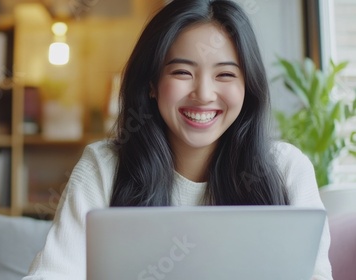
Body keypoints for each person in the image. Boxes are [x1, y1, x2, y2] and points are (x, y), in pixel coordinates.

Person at [23, 0, 332, 279]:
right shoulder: (103, 167)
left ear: (247, 86)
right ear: (151, 84)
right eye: (183, 72)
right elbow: (52, 274)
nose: (204, 95)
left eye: (225, 75)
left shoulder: (287, 168)